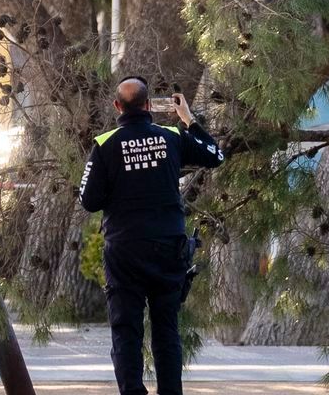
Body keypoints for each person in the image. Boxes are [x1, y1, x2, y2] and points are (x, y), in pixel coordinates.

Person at [79, 76, 225, 395]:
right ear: (148, 106)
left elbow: (88, 201)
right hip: (168, 247)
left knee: (126, 331)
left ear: (118, 106)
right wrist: (188, 120)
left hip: (125, 250)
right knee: (166, 330)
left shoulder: (105, 144)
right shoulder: (172, 137)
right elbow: (215, 155)